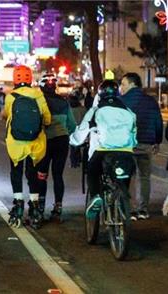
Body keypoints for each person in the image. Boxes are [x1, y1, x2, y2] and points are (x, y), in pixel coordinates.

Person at [70, 80, 137, 220]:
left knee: (92, 171)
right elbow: (134, 133)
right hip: (126, 152)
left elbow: (82, 131)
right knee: (126, 173)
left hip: (103, 151)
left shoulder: (96, 110)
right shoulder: (128, 111)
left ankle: (95, 197)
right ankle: (123, 201)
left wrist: (74, 141)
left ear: (99, 94)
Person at [2, 65, 51, 229]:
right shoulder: (39, 95)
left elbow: (5, 115)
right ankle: (35, 206)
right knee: (33, 174)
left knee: (16, 172)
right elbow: (48, 119)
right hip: (35, 144)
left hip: (15, 144)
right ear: (30, 79)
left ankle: (18, 204)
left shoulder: (11, 97)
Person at [119, 72, 164, 220]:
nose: (121, 87)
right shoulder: (151, 101)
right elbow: (158, 122)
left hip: (127, 145)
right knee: (144, 177)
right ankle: (143, 210)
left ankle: (130, 209)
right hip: (146, 145)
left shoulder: (121, 101)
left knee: (128, 176)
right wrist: (156, 141)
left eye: (123, 84)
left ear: (132, 84)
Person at [36, 74, 77, 221]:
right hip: (62, 141)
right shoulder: (64, 102)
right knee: (58, 175)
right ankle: (58, 207)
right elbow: (72, 125)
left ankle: (40, 207)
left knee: (41, 175)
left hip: (44, 142)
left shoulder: (38, 102)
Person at [68, 92, 87, 168]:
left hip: (73, 129)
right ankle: (79, 159)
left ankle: (74, 162)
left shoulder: (69, 110)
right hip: (82, 129)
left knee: (73, 146)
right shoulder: (83, 108)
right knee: (79, 145)